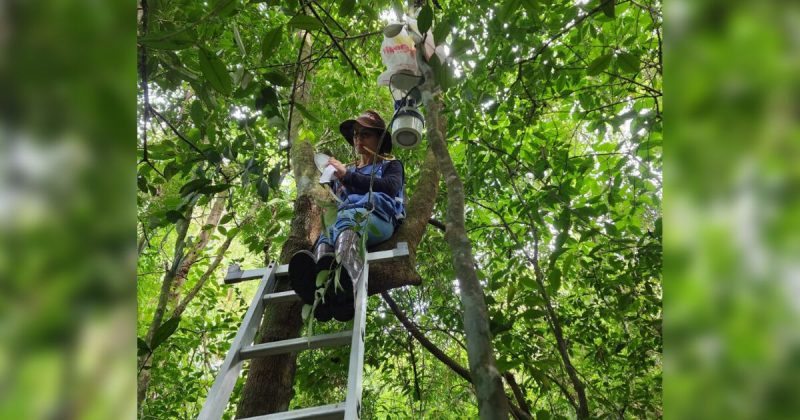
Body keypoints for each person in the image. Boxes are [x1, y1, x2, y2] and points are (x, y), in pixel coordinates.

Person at [289, 110, 405, 322]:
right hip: (344, 221)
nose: (358, 139)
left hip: (376, 217)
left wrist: (347, 176)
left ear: (379, 140)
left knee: (347, 220)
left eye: (365, 135)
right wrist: (333, 177)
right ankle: (321, 292)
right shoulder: (347, 171)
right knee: (326, 234)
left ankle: (348, 282)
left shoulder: (390, 165)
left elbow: (390, 187)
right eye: (356, 135)